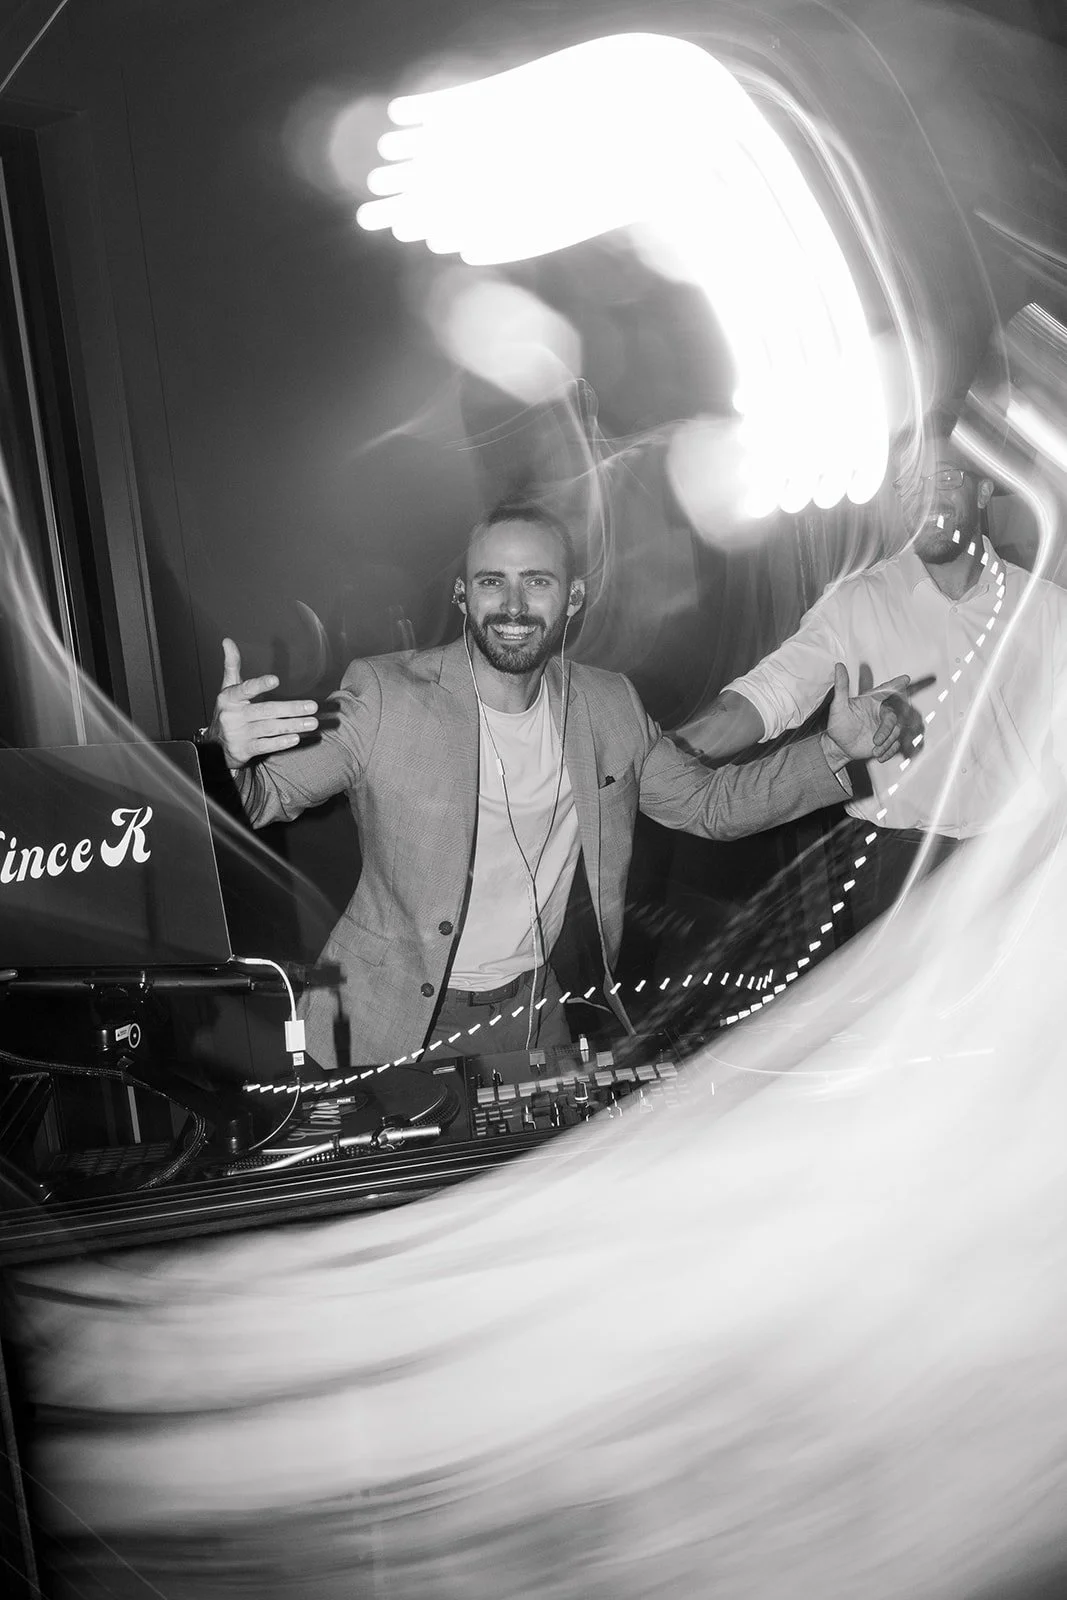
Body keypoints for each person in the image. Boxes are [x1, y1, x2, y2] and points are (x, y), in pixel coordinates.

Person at [206, 503, 909, 1070]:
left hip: (533, 1015)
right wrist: (225, 754)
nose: (512, 603)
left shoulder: (607, 705)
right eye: (491, 581)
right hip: (387, 1016)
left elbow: (707, 807)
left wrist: (832, 749)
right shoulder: (387, 695)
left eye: (535, 580)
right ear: (461, 595)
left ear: (572, 597)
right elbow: (265, 796)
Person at [681, 426, 1067, 936]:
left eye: (944, 477)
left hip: (1016, 859)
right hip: (893, 867)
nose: (925, 495)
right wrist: (667, 753)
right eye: (908, 482)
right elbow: (771, 692)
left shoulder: (1047, 609)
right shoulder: (855, 603)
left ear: (982, 489)